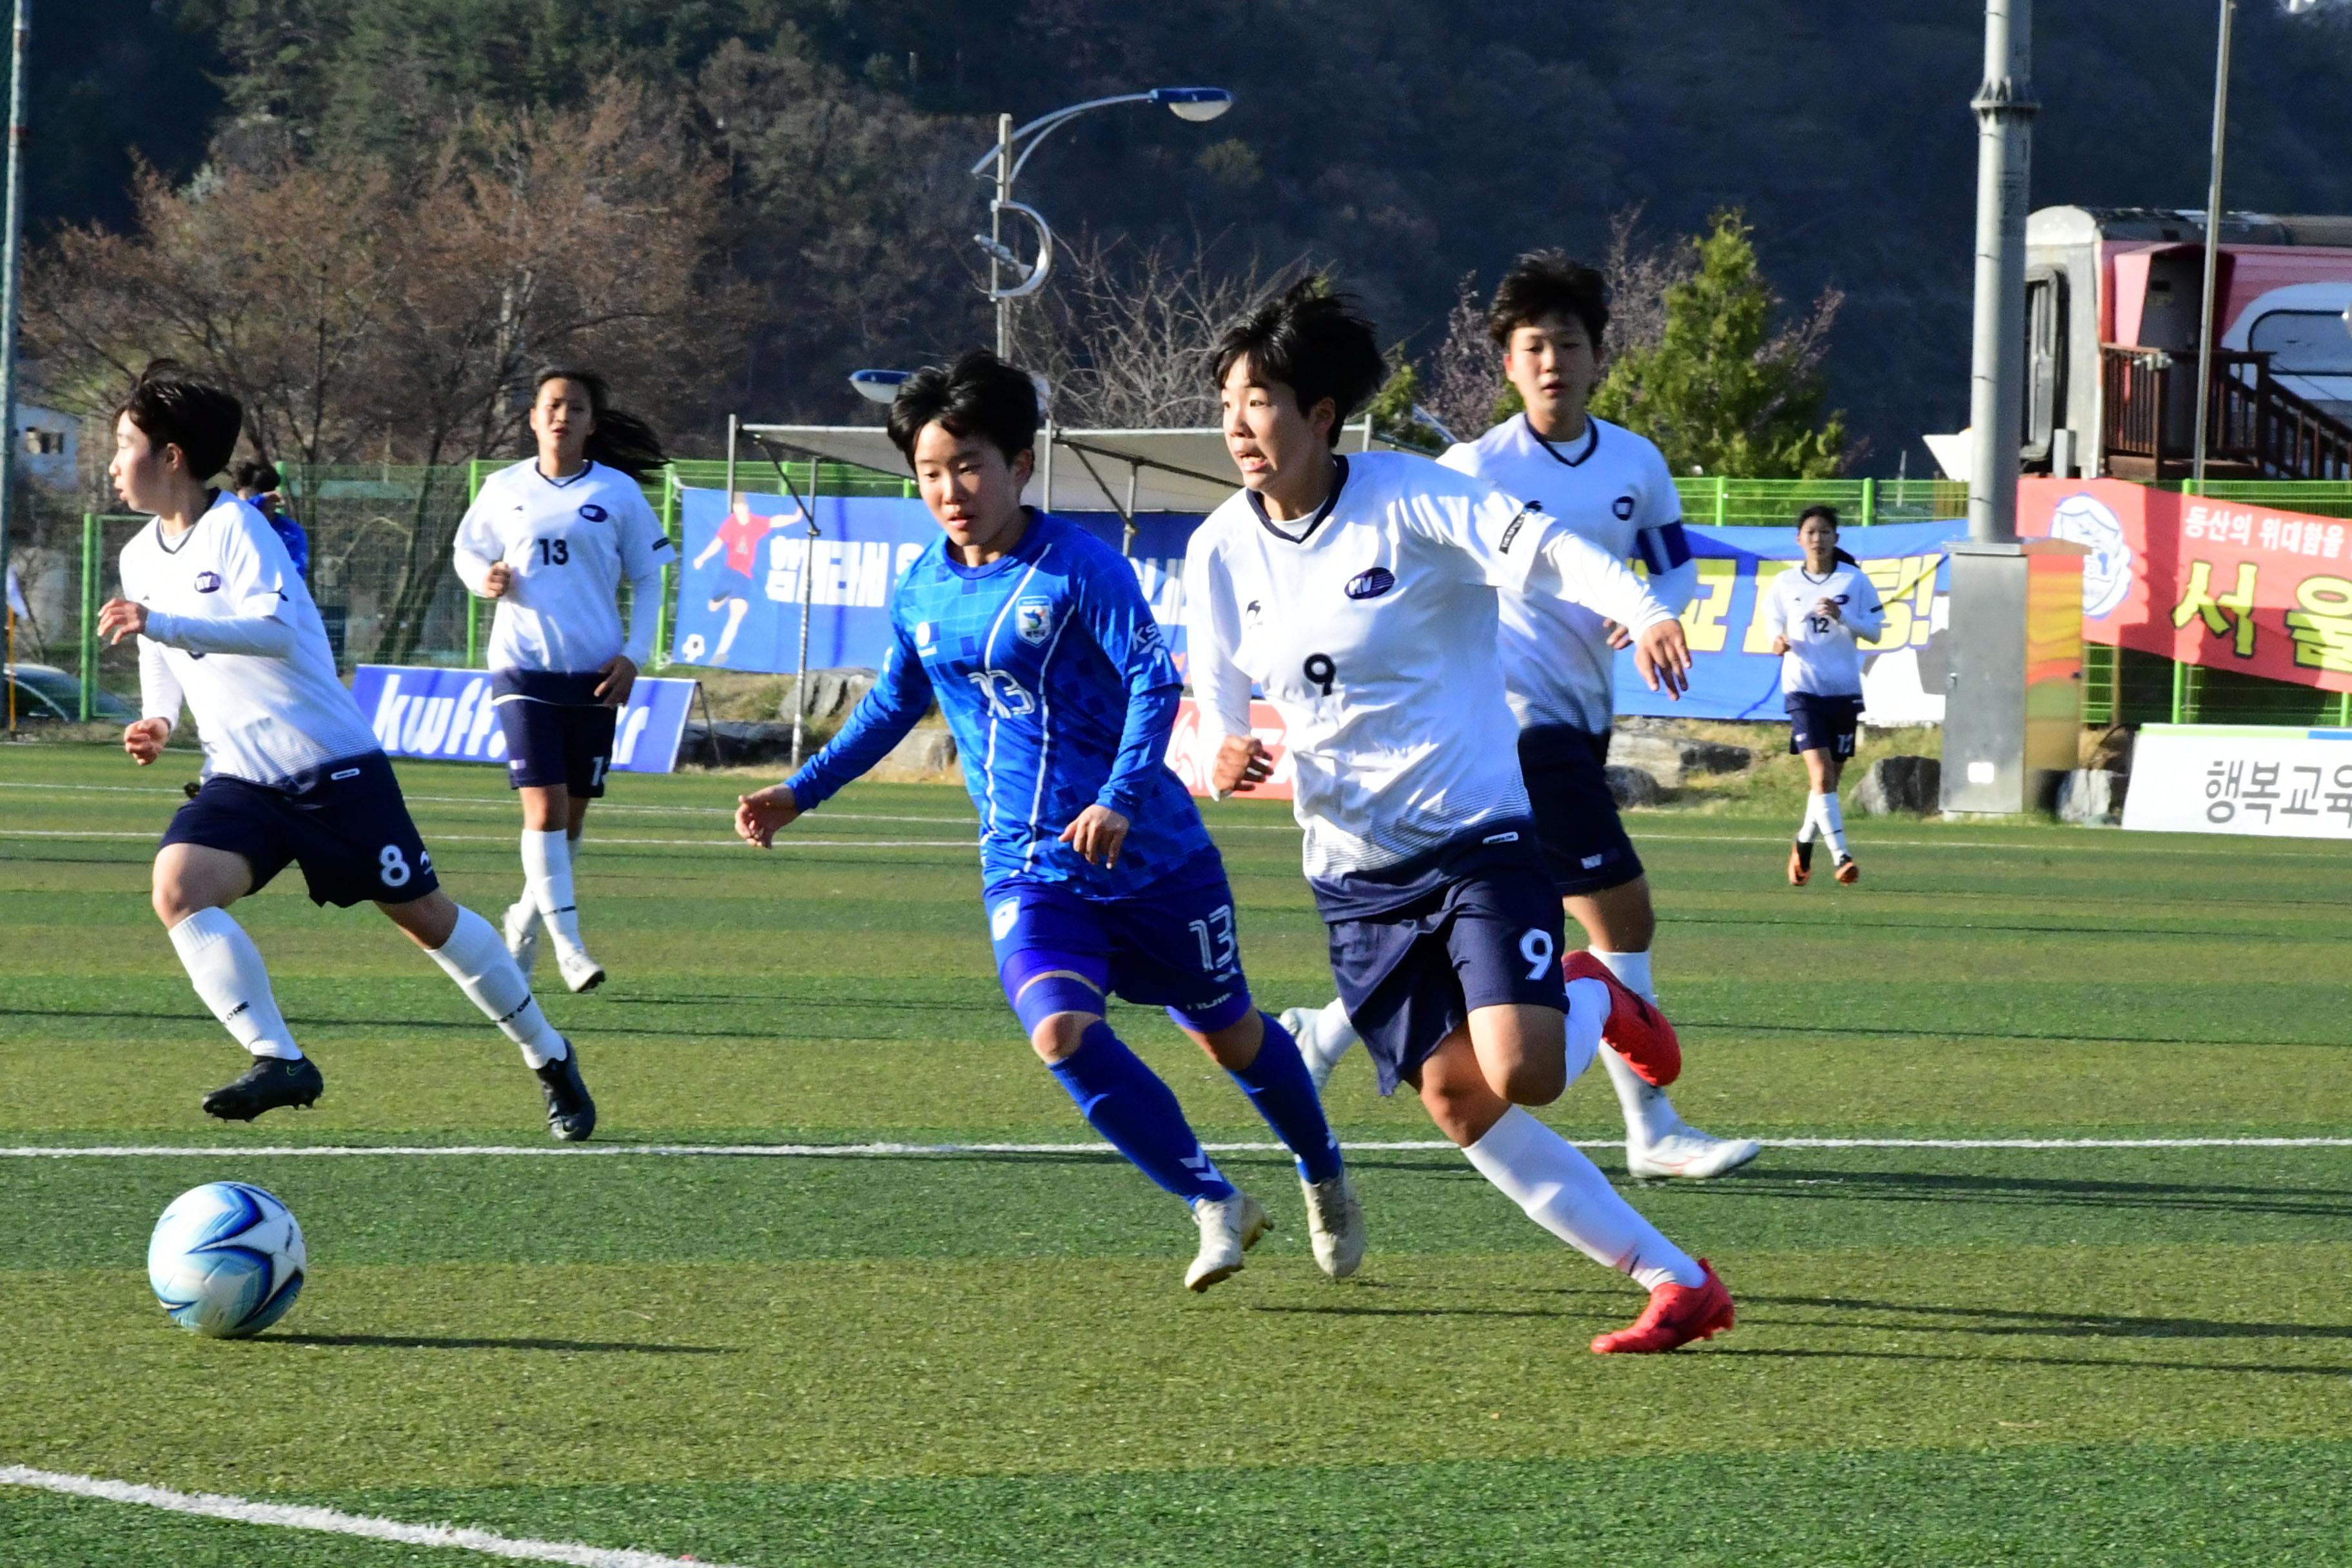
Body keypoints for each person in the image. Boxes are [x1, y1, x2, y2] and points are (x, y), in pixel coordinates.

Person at [735, 350, 1363, 1293]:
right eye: (932, 472)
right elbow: (890, 708)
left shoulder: (1082, 571)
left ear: (1021, 465)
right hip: (1029, 870)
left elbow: (1158, 682)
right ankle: (1214, 1200)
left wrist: (1116, 797)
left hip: (1154, 858)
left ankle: (1324, 1172)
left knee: (1229, 1035)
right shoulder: (922, 590)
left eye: (972, 465)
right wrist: (800, 790)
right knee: (1061, 1032)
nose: (952, 489)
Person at [1186, 280, 1733, 1353]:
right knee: (1453, 1097)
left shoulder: (1413, 497)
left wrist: (1645, 607)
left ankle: (1588, 991)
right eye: (1229, 405)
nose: (1240, 427)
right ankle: (1676, 1281)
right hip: (1352, 874)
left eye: (1261, 403)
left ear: (1322, 412)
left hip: (1476, 836)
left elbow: (1552, 556)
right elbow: (1210, 693)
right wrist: (1221, 748)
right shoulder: (1218, 548)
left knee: (1522, 1066)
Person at [1280, 253, 1760, 1182]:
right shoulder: (1473, 469)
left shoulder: (1637, 463)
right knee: (1621, 913)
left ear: (1596, 357)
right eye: (1531, 346)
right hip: (1510, 726)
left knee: (1476, 918)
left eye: (1568, 344)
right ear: (1507, 363)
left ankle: (1323, 1034)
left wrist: (1645, 606)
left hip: (1582, 720)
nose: (1551, 362)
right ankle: (1654, 1128)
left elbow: (1671, 564)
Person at [99, 364, 593, 1138]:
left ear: (170, 457)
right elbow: (157, 657)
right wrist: (159, 720)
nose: (112, 462)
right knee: (178, 887)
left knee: (426, 918)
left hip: (332, 767)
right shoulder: (138, 555)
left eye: (124, 445)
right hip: (242, 778)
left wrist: (159, 623)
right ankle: (278, 1058)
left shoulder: (237, 528)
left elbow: (273, 631)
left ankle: (549, 1053)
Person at [453, 368, 674, 992]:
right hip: (522, 668)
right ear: (533, 417)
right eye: (552, 405)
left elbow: (653, 576)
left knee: (570, 823)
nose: (561, 416)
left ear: (591, 423)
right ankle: (571, 946)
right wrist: (483, 578)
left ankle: (522, 919)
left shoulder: (619, 492)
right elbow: (466, 551)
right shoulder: (503, 487)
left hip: (595, 675)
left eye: (575, 408)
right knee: (545, 809)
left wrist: (635, 653)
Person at [1765, 504, 1885, 886]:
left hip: (1843, 691)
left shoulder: (1854, 581)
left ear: (1836, 538)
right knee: (1819, 773)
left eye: (1825, 532)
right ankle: (1842, 857)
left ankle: (1803, 844)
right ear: (1799, 539)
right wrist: (1778, 641)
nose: (1818, 539)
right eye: (1811, 533)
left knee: (1828, 781)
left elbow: (1876, 632)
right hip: (1803, 689)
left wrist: (1843, 616)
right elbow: (1772, 624)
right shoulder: (1785, 583)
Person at [689, 491, 794, 665]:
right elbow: (717, 543)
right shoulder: (730, 523)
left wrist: (795, 517)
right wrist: (702, 558)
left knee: (738, 612)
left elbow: (775, 521)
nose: (739, 510)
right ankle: (723, 597)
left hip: (744, 577)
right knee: (713, 607)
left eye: (742, 507)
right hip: (729, 573)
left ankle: (721, 653)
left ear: (746, 507)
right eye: (736, 508)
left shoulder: (755, 522)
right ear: (734, 509)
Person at [230, 459, 309, 581]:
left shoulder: (290, 533)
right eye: (242, 503)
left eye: (254, 501)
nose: (246, 508)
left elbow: (294, 578)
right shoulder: (230, 528)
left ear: (272, 498)